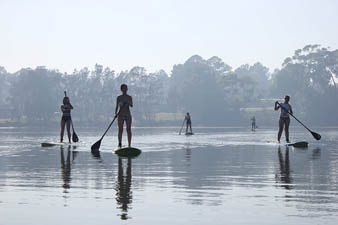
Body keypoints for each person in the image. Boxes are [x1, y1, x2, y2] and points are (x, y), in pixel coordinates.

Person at [115, 84, 133, 148]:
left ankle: (129, 145)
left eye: (126, 88)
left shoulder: (129, 97)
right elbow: (117, 106)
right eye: (124, 88)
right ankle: (119, 144)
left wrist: (127, 102)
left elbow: (131, 105)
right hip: (120, 115)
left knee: (128, 130)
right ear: (121, 89)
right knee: (120, 130)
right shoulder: (119, 97)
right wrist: (115, 114)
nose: (125, 90)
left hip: (128, 115)